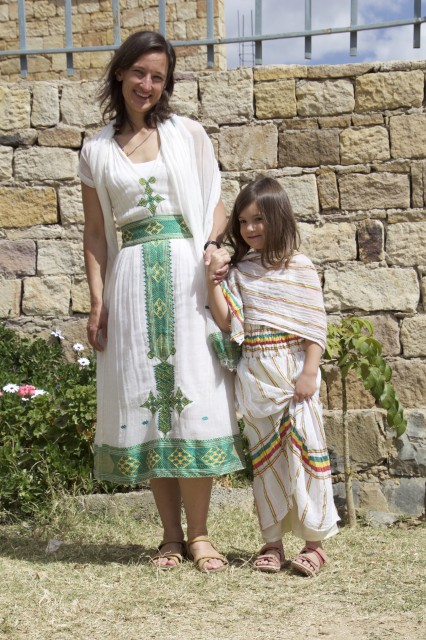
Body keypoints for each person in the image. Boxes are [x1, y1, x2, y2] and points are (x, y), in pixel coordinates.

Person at [78, 31, 245, 572]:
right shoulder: (97, 150)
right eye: (139, 73)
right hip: (131, 281)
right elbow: (97, 235)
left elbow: (215, 204)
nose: (147, 85)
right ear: (120, 73)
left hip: (186, 276)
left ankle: (200, 536)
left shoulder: (187, 134)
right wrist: (98, 301)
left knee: (192, 397)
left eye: (158, 76)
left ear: (165, 83)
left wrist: (214, 246)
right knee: (151, 402)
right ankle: (169, 536)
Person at [206, 177, 340, 575]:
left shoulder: (300, 266)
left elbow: (315, 324)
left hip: (294, 372)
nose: (250, 229)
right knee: (267, 463)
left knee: (306, 452)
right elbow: (227, 321)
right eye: (243, 221)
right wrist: (212, 281)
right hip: (256, 373)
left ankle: (314, 545)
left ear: (278, 217)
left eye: (258, 219)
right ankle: (272, 543)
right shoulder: (241, 270)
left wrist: (309, 371)